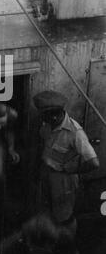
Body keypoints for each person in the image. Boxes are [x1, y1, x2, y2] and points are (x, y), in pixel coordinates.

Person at [33, 90, 99, 231]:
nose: (48, 119)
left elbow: (94, 163)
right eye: (45, 116)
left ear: (58, 113)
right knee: (47, 210)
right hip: (47, 173)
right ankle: (53, 242)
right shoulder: (46, 126)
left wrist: (73, 170)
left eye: (51, 115)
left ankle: (68, 246)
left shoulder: (75, 133)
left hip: (64, 179)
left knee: (64, 216)